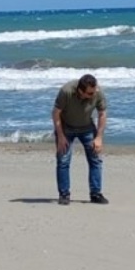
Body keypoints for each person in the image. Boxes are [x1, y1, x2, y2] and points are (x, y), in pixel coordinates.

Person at [52, 74, 108, 205]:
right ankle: (64, 194)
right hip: (66, 128)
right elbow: (56, 113)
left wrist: (99, 137)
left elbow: (102, 113)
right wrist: (60, 136)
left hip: (87, 127)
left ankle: (95, 194)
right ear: (80, 90)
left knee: (96, 159)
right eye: (89, 93)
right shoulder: (66, 91)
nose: (92, 95)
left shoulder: (97, 92)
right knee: (63, 160)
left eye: (94, 92)